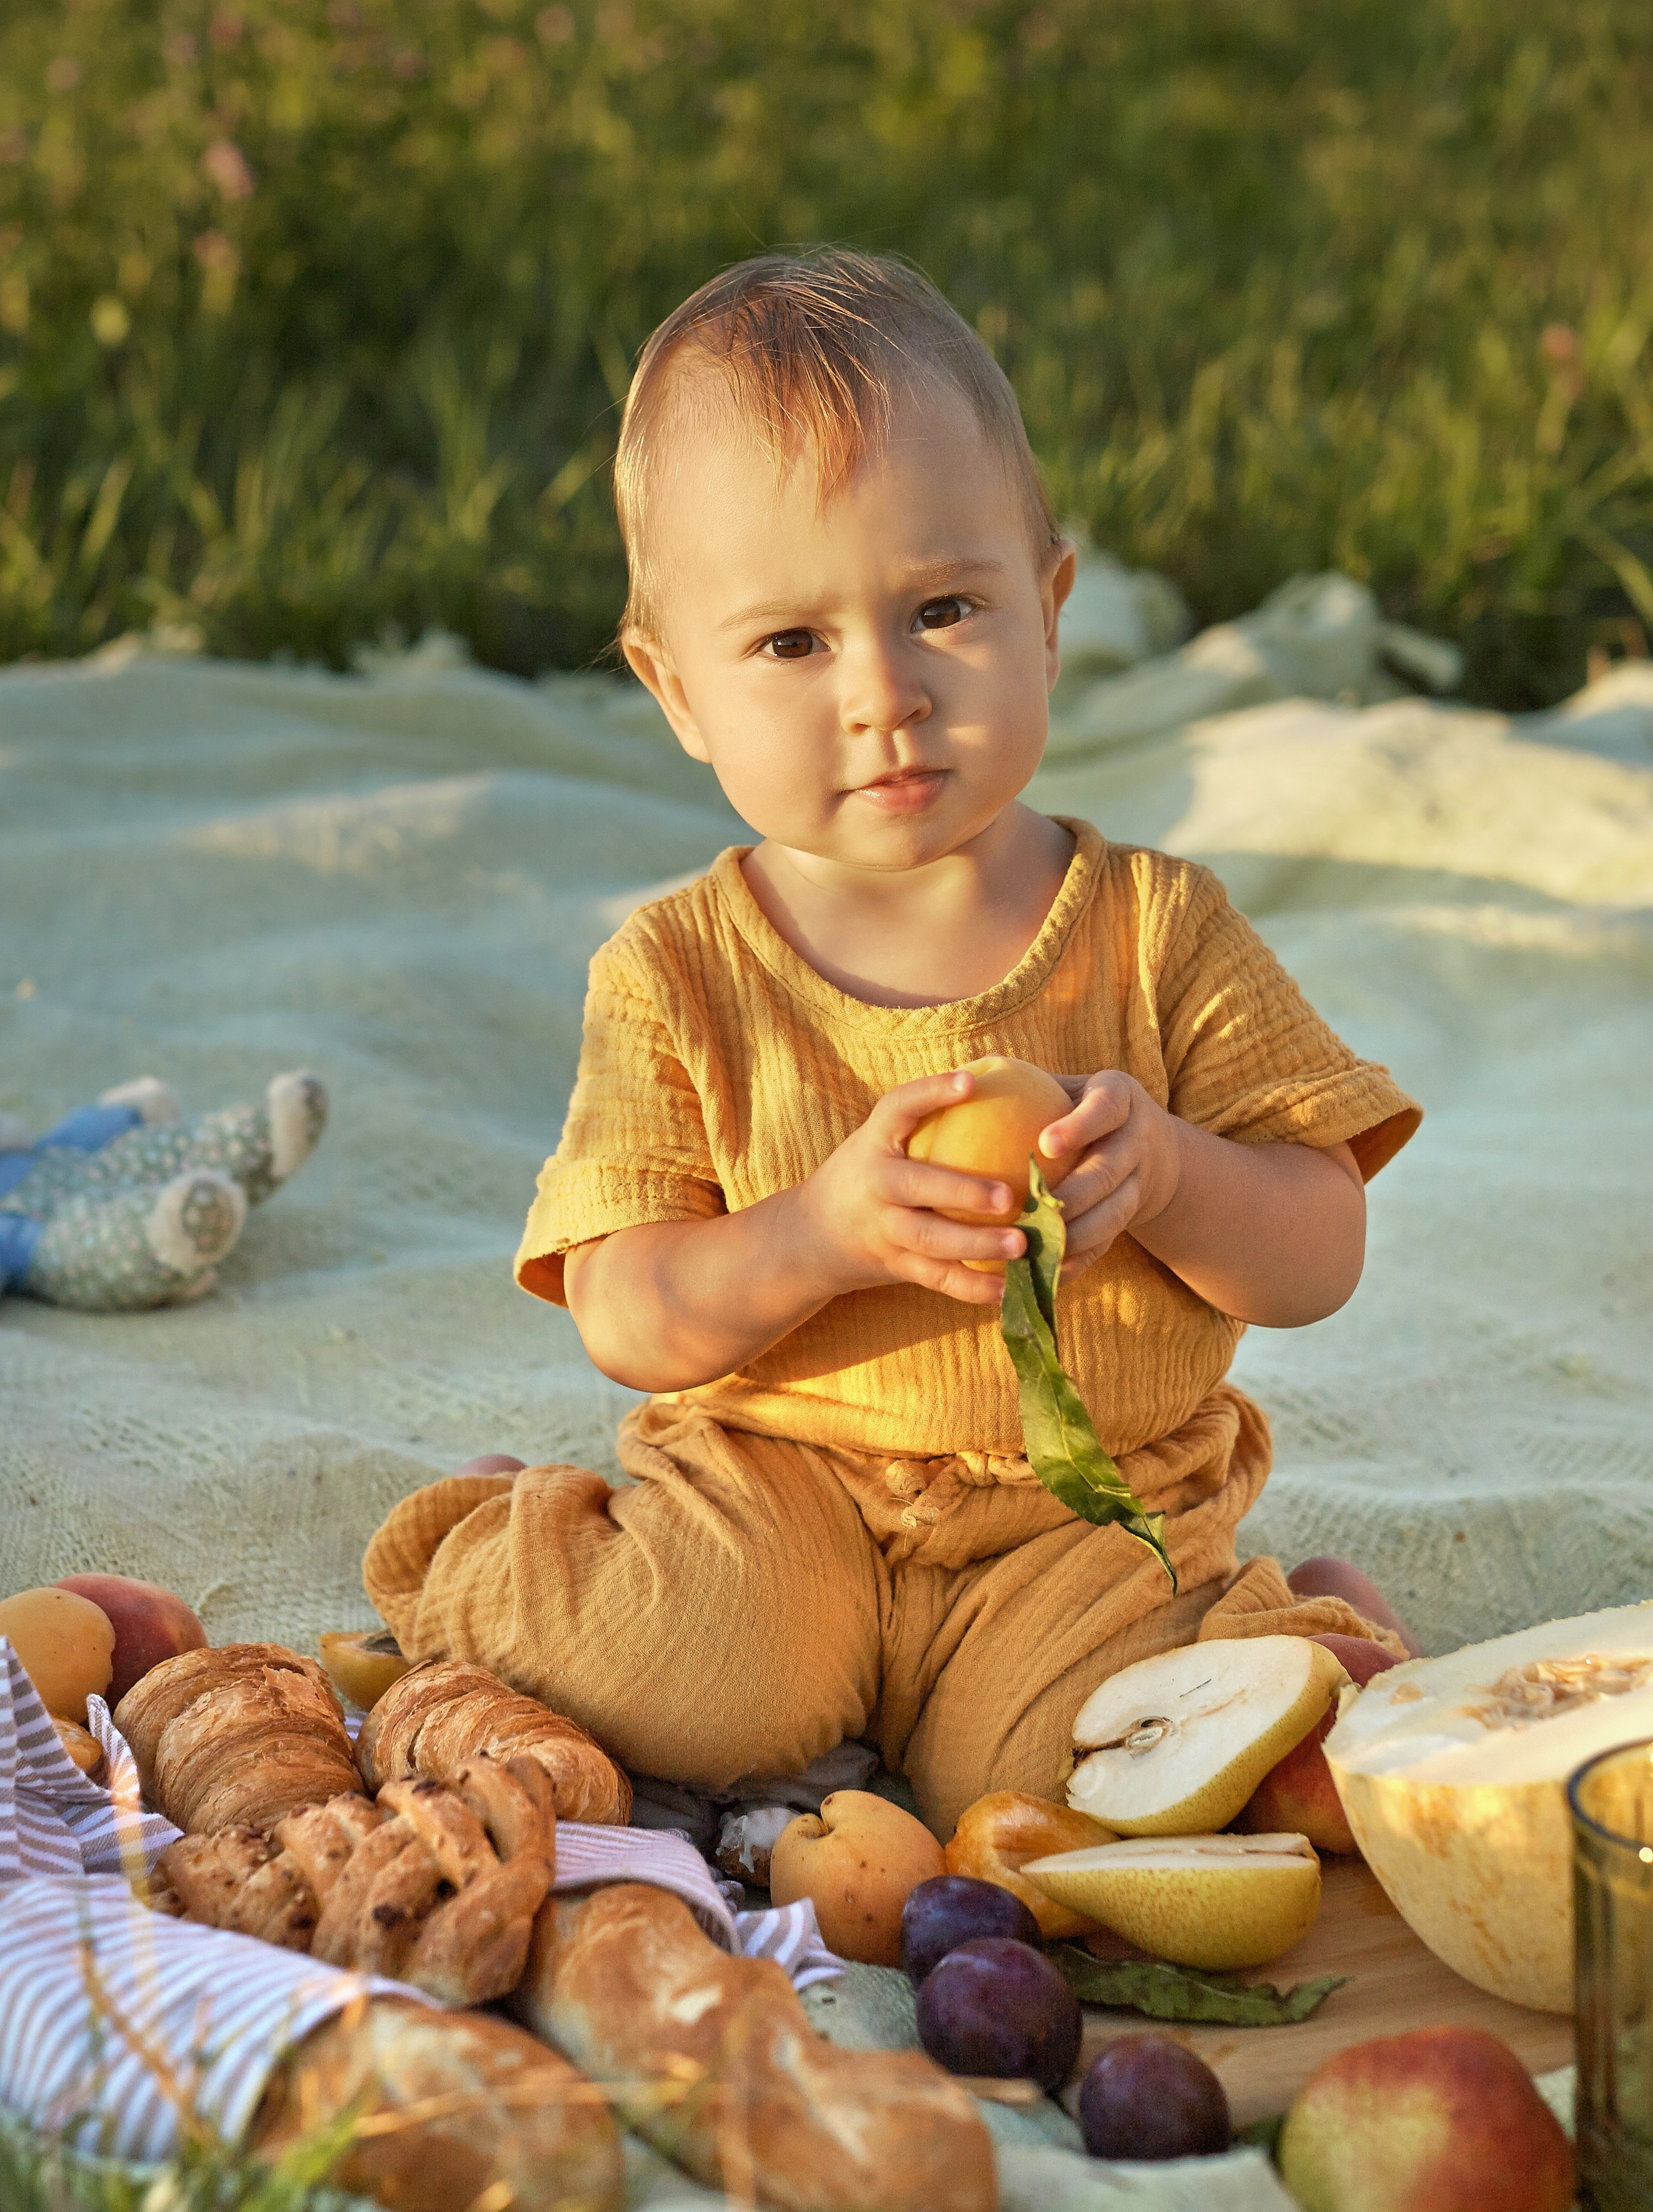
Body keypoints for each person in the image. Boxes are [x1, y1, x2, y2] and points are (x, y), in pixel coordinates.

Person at [364, 249, 1422, 1838]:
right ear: (675, 692)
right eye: (791, 644)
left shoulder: (1154, 932)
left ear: (1048, 615)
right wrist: (815, 1236)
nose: (884, 695)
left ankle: (1279, 1635)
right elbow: (629, 1312)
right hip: (778, 1491)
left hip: (1079, 1513)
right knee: (692, 1683)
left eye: (942, 609)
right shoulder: (677, 971)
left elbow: (1317, 1254)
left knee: (1064, 1795)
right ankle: (495, 1548)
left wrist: (1180, 1175)